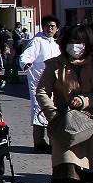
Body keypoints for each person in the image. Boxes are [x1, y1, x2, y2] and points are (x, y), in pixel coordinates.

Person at [37, 24, 93, 183]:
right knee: (65, 173)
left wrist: (86, 100)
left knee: (82, 178)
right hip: (65, 127)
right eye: (72, 42)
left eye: (80, 42)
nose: (75, 46)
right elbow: (42, 92)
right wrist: (53, 114)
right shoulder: (54, 65)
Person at [20, 16, 62, 151]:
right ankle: (38, 142)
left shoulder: (56, 44)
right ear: (43, 27)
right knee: (39, 109)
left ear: (57, 29)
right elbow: (26, 55)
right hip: (39, 82)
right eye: (48, 26)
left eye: (53, 26)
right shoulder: (37, 41)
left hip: (55, 83)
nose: (50, 28)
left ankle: (53, 141)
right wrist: (25, 63)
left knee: (53, 110)